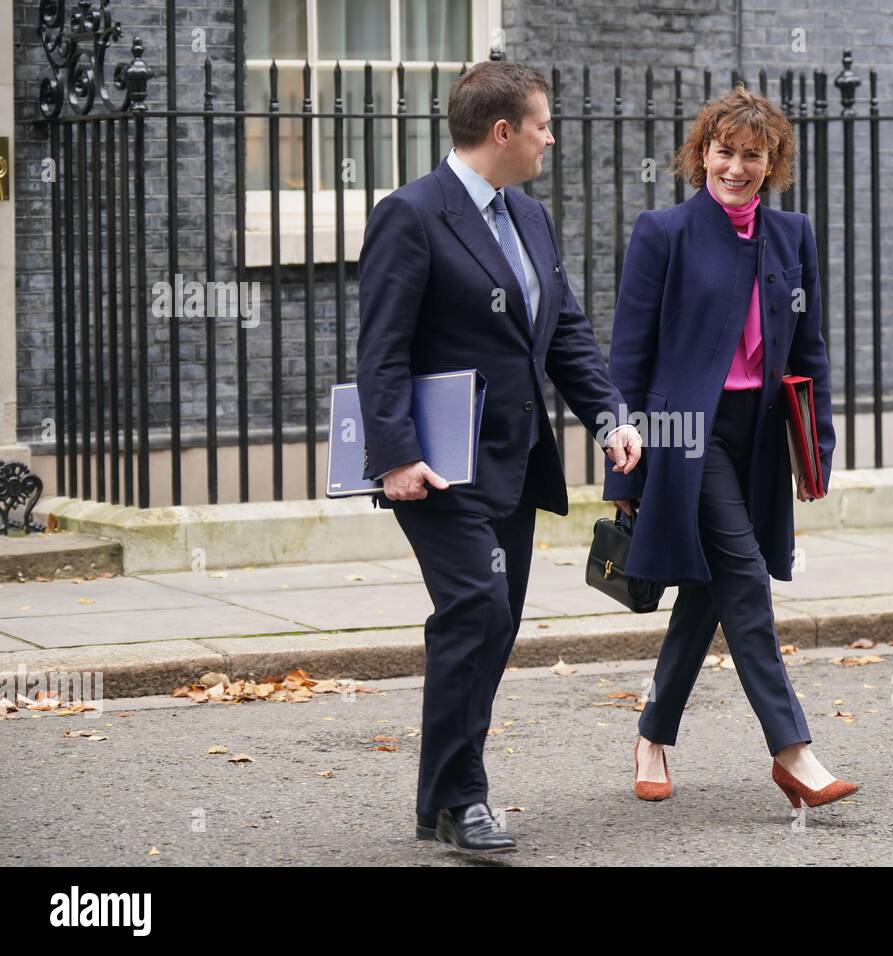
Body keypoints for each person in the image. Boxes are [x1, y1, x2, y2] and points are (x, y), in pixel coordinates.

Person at [357, 61, 642, 853]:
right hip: (438, 467)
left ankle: (437, 798)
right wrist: (394, 457)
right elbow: (380, 350)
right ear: (504, 131)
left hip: (513, 463)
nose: (552, 138)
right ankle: (464, 800)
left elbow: (566, 334)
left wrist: (608, 416)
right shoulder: (411, 215)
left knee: (495, 620)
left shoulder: (530, 217)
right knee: (475, 610)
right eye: (544, 125)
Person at [603, 85, 858, 810]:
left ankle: (652, 733)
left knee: (710, 590)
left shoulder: (792, 235)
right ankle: (793, 751)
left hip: (762, 438)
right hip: (689, 436)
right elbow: (629, 355)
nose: (736, 167)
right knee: (745, 576)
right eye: (724, 151)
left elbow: (808, 352)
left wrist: (818, 449)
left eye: (753, 154)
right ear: (701, 154)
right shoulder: (664, 233)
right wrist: (619, 464)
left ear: (772, 160)